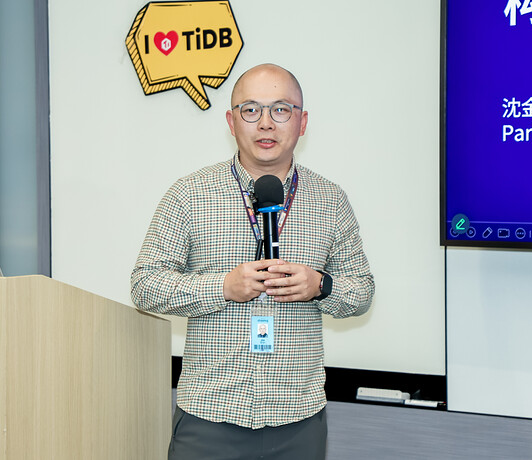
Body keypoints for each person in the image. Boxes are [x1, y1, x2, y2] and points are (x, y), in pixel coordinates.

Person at [131, 63, 374, 460]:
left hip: (298, 420)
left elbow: (361, 291)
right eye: (250, 110)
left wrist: (320, 286)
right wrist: (222, 287)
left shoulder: (330, 200)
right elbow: (145, 285)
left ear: (302, 122)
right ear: (231, 122)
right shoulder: (189, 194)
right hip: (209, 416)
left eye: (281, 109)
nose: (265, 123)